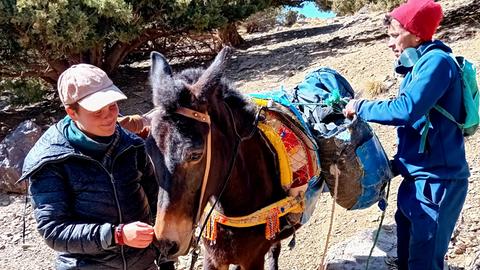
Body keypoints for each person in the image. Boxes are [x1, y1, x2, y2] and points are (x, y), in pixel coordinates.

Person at [343, 0, 469, 269]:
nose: (390, 43)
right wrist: (393, 166)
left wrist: (360, 106)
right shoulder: (418, 67)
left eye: (393, 35)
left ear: (417, 32)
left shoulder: (437, 62)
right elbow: (420, 130)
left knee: (424, 264)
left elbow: (406, 110)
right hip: (416, 181)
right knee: (406, 261)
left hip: (438, 183)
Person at [20, 63, 159, 269]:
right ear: (72, 112)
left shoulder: (132, 145)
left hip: (142, 262)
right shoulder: (51, 160)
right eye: (97, 111)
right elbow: (54, 231)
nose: (110, 116)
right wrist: (117, 235)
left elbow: (156, 200)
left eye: (113, 106)